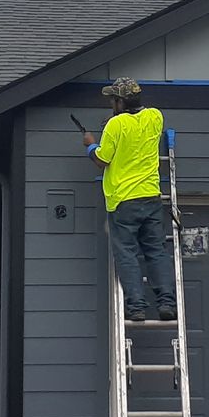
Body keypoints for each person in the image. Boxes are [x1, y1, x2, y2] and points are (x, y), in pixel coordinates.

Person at [83, 77, 176, 322]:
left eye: (113, 100)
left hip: (124, 200)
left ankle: (136, 307)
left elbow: (102, 160)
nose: (110, 104)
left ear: (120, 101)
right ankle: (166, 303)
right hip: (151, 196)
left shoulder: (115, 126)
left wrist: (91, 145)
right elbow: (134, 130)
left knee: (127, 254)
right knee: (156, 251)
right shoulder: (155, 117)